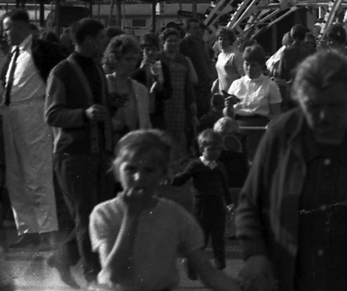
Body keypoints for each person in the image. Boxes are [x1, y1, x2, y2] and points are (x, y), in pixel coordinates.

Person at [236, 50, 347, 291]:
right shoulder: (281, 135)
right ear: (299, 100)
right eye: (313, 106)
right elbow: (249, 203)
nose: (323, 117)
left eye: (333, 106)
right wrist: (255, 254)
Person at [90, 129, 239, 291]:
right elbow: (114, 275)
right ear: (118, 172)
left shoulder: (174, 215)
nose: (139, 177)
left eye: (149, 170)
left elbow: (208, 273)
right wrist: (131, 215)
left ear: (163, 175)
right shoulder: (105, 213)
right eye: (131, 169)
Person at [45, 18, 115, 287]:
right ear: (88, 41)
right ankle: (93, 278)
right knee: (86, 218)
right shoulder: (61, 72)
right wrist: (84, 114)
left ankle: (63, 258)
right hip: (72, 156)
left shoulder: (96, 67)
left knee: (98, 216)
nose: (104, 44)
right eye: (100, 39)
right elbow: (52, 114)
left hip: (98, 154)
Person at [2, 9, 62, 249]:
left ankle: (47, 229)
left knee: (37, 172)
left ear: (19, 27)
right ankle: (27, 228)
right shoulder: (14, 54)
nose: (5, 34)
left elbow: (57, 77)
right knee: (15, 176)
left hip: (34, 114)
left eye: (7, 29)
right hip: (11, 115)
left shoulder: (41, 50)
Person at [170, 129, 233, 274]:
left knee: (218, 237)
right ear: (202, 149)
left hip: (217, 204)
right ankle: (192, 263)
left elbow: (224, 187)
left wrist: (229, 203)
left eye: (218, 149)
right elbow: (182, 178)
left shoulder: (220, 166)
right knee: (201, 237)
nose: (216, 152)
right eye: (211, 149)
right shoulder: (196, 165)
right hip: (202, 204)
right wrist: (170, 180)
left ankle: (220, 267)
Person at [223, 45, 281, 159]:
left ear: (261, 66)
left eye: (253, 65)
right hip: (237, 130)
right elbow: (228, 116)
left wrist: (272, 125)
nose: (249, 68)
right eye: (246, 64)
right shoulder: (236, 84)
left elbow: (277, 115)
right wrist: (228, 107)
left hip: (259, 130)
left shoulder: (270, 85)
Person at [158, 28, 199, 156]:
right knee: (163, 132)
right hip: (163, 103)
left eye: (176, 41)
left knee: (180, 132)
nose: (173, 43)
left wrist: (192, 102)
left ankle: (180, 160)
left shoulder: (184, 60)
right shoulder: (158, 58)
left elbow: (192, 81)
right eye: (169, 41)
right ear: (163, 43)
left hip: (180, 102)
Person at [104, 34, 152, 140]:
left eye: (134, 59)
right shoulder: (103, 84)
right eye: (128, 59)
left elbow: (146, 124)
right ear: (114, 59)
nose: (132, 64)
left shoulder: (141, 90)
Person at [180, 19, 216, 117]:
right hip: (193, 90)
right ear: (187, 30)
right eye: (195, 28)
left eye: (201, 28)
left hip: (206, 90)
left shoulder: (204, 45)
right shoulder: (183, 45)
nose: (199, 30)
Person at [212, 28, 243, 94]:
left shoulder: (235, 55)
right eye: (220, 39)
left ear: (230, 40)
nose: (222, 41)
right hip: (222, 93)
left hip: (234, 93)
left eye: (225, 39)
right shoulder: (220, 55)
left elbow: (243, 75)